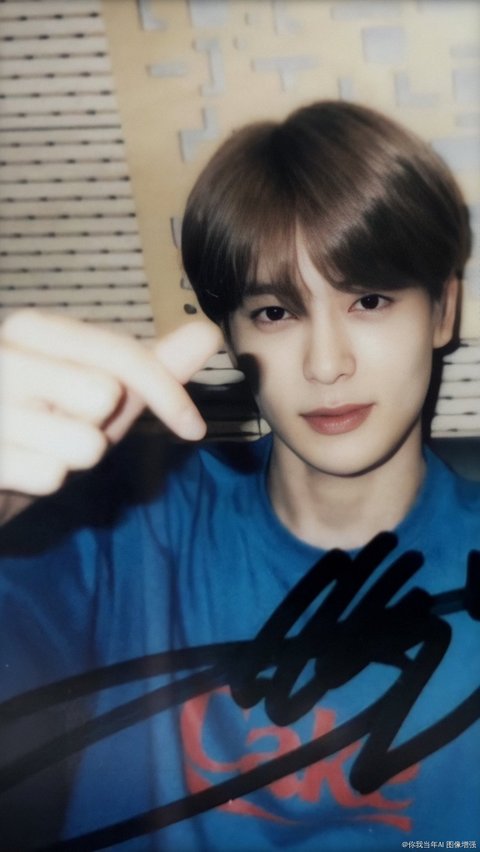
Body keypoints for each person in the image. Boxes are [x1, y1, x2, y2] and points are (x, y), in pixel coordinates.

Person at [0, 101, 478, 852]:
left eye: (369, 300)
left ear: (443, 310)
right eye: (276, 312)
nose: (327, 364)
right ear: (229, 333)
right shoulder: (124, 526)